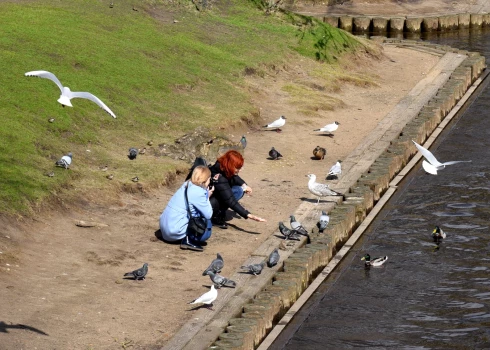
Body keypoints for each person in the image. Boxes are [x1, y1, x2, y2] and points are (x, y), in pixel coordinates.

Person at [159, 166, 214, 252]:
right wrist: (207, 196)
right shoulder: (199, 192)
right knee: (207, 226)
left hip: (164, 228)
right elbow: (209, 214)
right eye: (209, 179)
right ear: (205, 179)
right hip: (173, 231)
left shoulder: (186, 184)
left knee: (194, 211)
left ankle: (185, 235)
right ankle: (188, 239)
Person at [209, 150, 266, 228]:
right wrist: (248, 214)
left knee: (239, 189)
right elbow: (230, 200)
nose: (240, 170)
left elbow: (234, 176)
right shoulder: (219, 177)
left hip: (215, 195)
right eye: (238, 167)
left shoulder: (222, 167)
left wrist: (244, 185)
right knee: (237, 191)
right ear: (230, 165)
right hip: (209, 201)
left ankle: (219, 211)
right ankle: (215, 216)